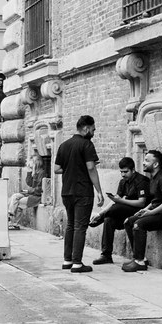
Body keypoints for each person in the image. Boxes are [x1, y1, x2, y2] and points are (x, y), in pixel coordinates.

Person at [54, 115, 104, 273]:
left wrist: (72, 168)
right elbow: (91, 167)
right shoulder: (87, 144)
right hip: (82, 191)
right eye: (93, 129)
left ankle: (67, 260)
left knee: (70, 225)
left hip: (67, 192)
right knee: (80, 227)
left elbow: (57, 169)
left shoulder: (63, 145)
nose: (94, 133)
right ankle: (77, 263)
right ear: (86, 128)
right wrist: (99, 191)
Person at [88, 157, 150, 265]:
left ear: (133, 170)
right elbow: (115, 201)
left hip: (138, 212)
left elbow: (142, 203)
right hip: (123, 211)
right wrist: (100, 213)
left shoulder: (141, 181)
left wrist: (121, 200)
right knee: (108, 219)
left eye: (126, 172)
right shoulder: (123, 182)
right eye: (121, 172)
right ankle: (106, 255)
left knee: (117, 207)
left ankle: (96, 221)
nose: (123, 174)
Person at [122, 149, 162, 273]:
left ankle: (139, 262)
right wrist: (144, 210)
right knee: (128, 221)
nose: (144, 163)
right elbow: (156, 199)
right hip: (156, 212)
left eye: (147, 160)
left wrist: (151, 212)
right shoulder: (153, 177)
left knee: (139, 224)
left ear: (156, 164)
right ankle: (139, 257)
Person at [7, 155, 47, 229]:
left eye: (30, 162)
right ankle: (11, 214)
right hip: (30, 194)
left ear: (36, 163)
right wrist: (29, 172)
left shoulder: (41, 173)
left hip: (36, 196)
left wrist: (29, 190)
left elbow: (39, 189)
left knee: (19, 203)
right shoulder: (34, 172)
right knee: (15, 196)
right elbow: (29, 183)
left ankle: (13, 222)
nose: (28, 164)